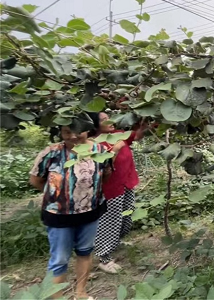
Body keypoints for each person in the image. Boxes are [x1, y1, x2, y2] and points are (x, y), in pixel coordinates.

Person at [29, 116, 111, 300]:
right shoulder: (51, 153)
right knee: (59, 259)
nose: (73, 136)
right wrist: (60, 195)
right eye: (67, 132)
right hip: (59, 215)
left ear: (87, 130)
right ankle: (56, 297)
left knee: (85, 252)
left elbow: (106, 175)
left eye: (78, 131)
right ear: (61, 132)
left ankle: (81, 293)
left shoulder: (100, 150)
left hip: (90, 212)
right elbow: (36, 180)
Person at [88, 111, 147, 274]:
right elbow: (100, 167)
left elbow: (136, 136)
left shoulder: (118, 134)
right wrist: (116, 148)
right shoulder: (92, 143)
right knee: (109, 222)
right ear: (95, 124)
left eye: (110, 117)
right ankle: (104, 258)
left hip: (126, 183)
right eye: (105, 120)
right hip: (110, 190)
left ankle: (114, 242)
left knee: (126, 217)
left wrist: (147, 121)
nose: (110, 121)